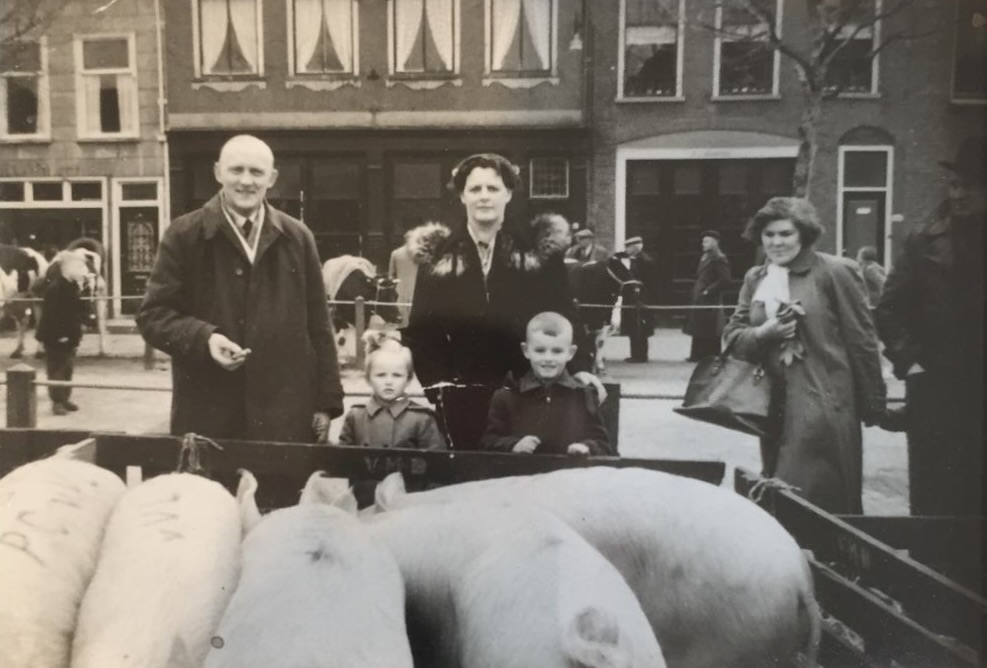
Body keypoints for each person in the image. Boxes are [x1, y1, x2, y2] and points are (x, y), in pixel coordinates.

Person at [137, 134, 344, 443]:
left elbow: (319, 324)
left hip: (286, 415)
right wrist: (205, 338)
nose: (246, 181)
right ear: (218, 172)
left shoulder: (298, 237)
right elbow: (153, 315)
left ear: (271, 178)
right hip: (209, 414)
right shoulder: (183, 234)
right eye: (236, 170)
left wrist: (326, 403)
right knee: (213, 492)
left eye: (256, 172)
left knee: (283, 492)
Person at [406, 153, 602, 450]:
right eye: (475, 189)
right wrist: (439, 388)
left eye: (493, 189)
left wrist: (581, 366)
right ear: (462, 196)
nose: (484, 197)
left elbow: (564, 312)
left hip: (526, 393)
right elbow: (423, 330)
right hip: (462, 395)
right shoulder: (439, 256)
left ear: (508, 194)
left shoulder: (539, 250)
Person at [723, 197, 886, 514]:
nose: (776, 242)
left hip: (824, 405)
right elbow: (732, 336)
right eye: (769, 235)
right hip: (771, 406)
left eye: (785, 233)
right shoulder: (756, 278)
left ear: (804, 235)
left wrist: (873, 403)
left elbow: (862, 340)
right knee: (777, 495)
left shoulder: (835, 272)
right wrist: (762, 334)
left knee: (813, 498)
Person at [875, 137, 984, 517]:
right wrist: (912, 366)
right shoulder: (924, 239)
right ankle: (929, 571)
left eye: (970, 185)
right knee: (936, 495)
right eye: (954, 184)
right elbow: (889, 310)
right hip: (937, 387)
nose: (958, 194)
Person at [480, 312, 613, 456]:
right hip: (521, 475)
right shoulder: (506, 397)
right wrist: (513, 445)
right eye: (540, 350)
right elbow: (488, 442)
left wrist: (586, 448)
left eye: (557, 351)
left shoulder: (583, 395)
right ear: (526, 351)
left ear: (570, 353)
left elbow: (604, 444)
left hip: (570, 475)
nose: (548, 358)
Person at [339, 331, 447, 451]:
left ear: (408, 379)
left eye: (397, 375)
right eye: (381, 375)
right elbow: (343, 459)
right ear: (368, 378)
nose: (389, 382)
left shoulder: (422, 419)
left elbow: (436, 462)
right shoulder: (356, 416)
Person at [35, 251, 90, 416]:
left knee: (68, 367)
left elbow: (76, 310)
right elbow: (52, 315)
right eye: (80, 267)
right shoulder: (56, 288)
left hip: (70, 335)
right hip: (57, 336)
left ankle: (65, 397)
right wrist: (60, 335)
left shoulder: (72, 286)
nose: (83, 271)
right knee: (56, 368)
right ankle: (57, 401)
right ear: (68, 268)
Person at [607, 236, 656, 363]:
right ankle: (635, 353)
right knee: (634, 327)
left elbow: (648, 282)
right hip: (632, 298)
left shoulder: (645, 261)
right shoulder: (635, 260)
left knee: (640, 327)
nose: (626, 250)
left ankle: (640, 355)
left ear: (635, 247)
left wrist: (643, 298)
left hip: (640, 299)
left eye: (628, 247)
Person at [684, 230, 732, 361]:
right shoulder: (705, 257)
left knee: (709, 329)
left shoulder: (719, 258)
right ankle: (697, 355)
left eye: (706, 241)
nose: (703, 244)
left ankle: (710, 356)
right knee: (698, 327)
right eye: (703, 241)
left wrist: (708, 291)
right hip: (700, 298)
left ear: (714, 242)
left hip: (710, 299)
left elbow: (725, 280)